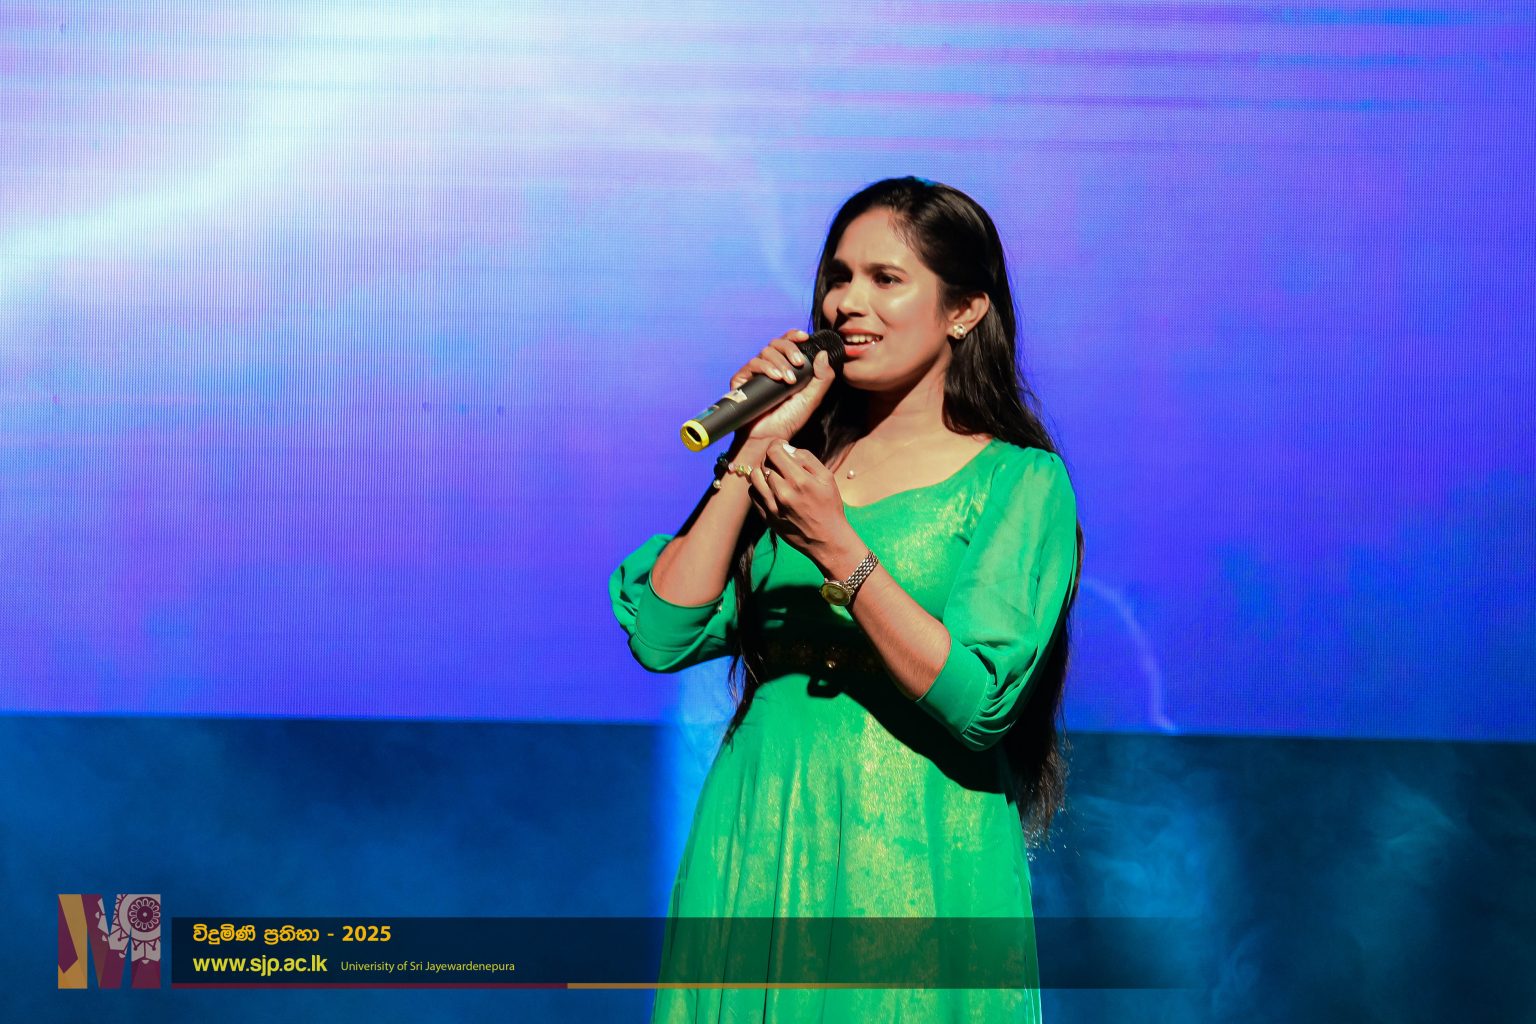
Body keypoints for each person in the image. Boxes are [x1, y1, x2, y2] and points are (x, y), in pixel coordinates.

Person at [610, 177, 1084, 1023]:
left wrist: (839, 549)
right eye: (839, 277)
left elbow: (980, 703)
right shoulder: (792, 467)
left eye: (885, 279)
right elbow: (662, 629)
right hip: (759, 833)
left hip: (913, 854)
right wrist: (754, 448)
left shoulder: (1019, 480)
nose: (847, 303)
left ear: (965, 310)